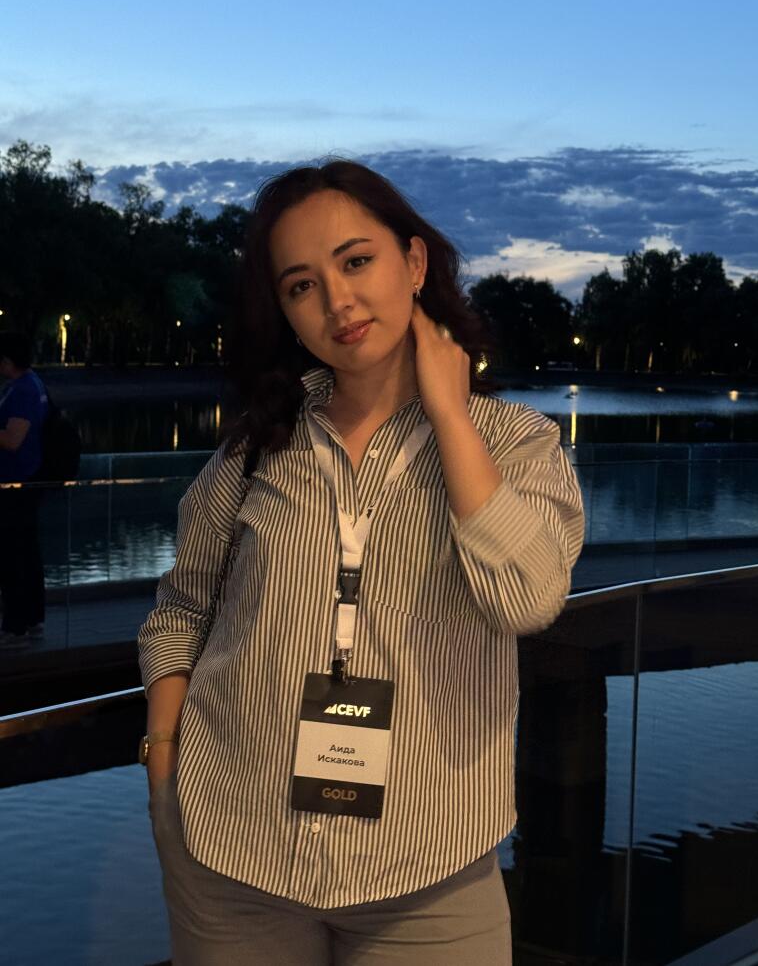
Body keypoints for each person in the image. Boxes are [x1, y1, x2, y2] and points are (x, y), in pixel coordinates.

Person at [138, 160, 584, 965]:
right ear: (284, 310)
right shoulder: (255, 449)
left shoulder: (516, 443)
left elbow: (528, 594)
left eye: (355, 261)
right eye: (302, 284)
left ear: (413, 264)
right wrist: (163, 758)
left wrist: (449, 410)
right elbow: (182, 607)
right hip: (234, 853)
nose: (338, 301)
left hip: (431, 870)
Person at [0, 331, 49, 649]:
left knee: (13, 556)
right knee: (27, 554)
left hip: (16, 486)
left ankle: (16, 627)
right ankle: (31, 621)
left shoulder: (22, 391)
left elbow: (13, 440)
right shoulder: (31, 386)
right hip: (24, 484)